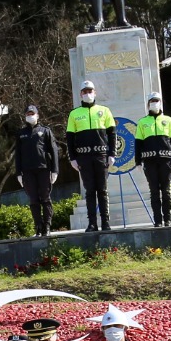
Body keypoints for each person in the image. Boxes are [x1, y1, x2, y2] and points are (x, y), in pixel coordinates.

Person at [66, 79, 117, 231]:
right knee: (89, 191)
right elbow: (69, 137)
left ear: (95, 93)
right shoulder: (74, 114)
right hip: (83, 157)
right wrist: (72, 158)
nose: (87, 94)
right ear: (80, 94)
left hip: (101, 155)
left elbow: (112, 134)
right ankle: (92, 223)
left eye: (90, 91)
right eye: (85, 91)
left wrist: (112, 153)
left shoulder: (104, 110)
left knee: (102, 190)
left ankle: (106, 222)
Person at [15, 104, 60, 237]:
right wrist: (18, 173)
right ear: (25, 116)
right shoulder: (21, 133)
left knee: (45, 199)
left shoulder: (45, 131)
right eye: (28, 114)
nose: (30, 116)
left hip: (44, 169)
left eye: (32, 113)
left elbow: (54, 151)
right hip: (28, 172)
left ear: (37, 115)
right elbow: (18, 154)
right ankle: (38, 227)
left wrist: (55, 170)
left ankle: (46, 226)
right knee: (34, 200)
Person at [135, 91, 171, 228]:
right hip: (150, 161)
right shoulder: (142, 122)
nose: (155, 103)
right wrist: (137, 161)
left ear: (161, 103)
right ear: (148, 104)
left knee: (166, 191)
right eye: (152, 101)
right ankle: (158, 220)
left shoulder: (168, 120)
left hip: (166, 160)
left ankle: (168, 219)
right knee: (154, 191)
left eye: (157, 101)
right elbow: (138, 143)